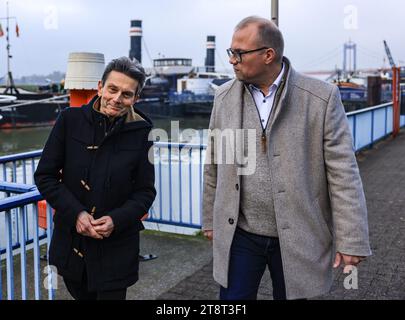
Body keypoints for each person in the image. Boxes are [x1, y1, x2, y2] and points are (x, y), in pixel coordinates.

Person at [202, 16, 371, 300]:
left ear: (268, 55)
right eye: (231, 52)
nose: (232, 60)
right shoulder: (224, 97)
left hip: (299, 234)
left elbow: (343, 172)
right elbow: (214, 164)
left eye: (238, 53)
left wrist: (352, 239)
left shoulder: (321, 97)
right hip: (240, 232)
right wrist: (210, 219)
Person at [34, 57, 156, 300]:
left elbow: (145, 192)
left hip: (117, 246)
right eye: (112, 89)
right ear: (100, 87)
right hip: (72, 242)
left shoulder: (143, 132)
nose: (117, 99)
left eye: (127, 94)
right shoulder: (69, 120)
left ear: (136, 99)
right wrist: (77, 213)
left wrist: (115, 219)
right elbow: (45, 176)